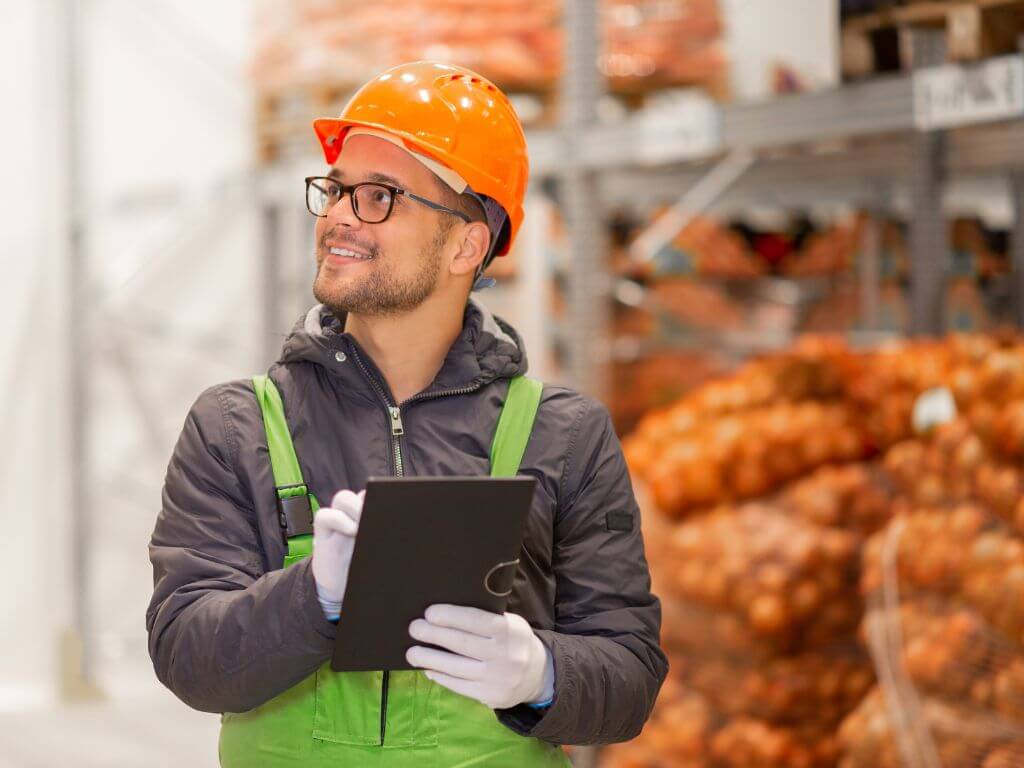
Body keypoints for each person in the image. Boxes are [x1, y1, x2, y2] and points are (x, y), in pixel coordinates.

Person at [147, 61, 667, 767]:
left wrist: (540, 675)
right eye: (335, 189)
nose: (338, 215)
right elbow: (186, 656)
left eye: (379, 196)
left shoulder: (563, 435)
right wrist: (313, 596)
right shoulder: (238, 425)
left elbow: (629, 676)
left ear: (466, 245)